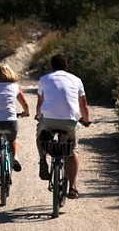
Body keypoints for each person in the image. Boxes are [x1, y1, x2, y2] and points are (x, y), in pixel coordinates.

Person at [35, 54, 91, 199]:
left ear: (51, 66)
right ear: (66, 65)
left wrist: (38, 115)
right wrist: (86, 120)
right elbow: (83, 105)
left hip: (49, 119)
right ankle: (72, 187)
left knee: (41, 134)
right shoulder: (76, 80)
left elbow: (40, 103)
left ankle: (42, 160)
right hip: (69, 120)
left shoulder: (44, 79)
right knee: (72, 151)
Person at [0, 63, 30, 188]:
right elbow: (25, 103)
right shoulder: (15, 87)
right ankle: (15, 157)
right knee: (13, 139)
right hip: (10, 122)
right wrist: (26, 113)